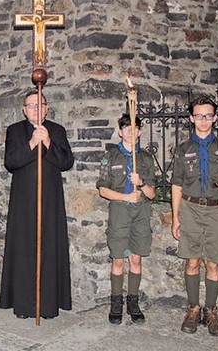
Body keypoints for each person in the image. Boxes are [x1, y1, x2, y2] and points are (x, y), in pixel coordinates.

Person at [0, 90, 75, 319]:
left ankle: (49, 305)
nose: (35, 108)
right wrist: (32, 142)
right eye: (30, 105)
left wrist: (49, 142)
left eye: (39, 104)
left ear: (46, 108)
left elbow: (66, 162)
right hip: (23, 202)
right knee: (23, 251)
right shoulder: (15, 131)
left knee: (49, 249)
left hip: (50, 202)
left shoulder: (57, 130)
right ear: (24, 109)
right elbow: (11, 162)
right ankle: (23, 305)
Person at [171, 96, 218, 336]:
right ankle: (193, 309)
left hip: (216, 210)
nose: (203, 120)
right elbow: (176, 185)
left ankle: (211, 311)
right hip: (190, 209)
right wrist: (176, 217)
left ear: (215, 118)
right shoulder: (183, 150)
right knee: (192, 261)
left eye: (208, 115)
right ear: (191, 118)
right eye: (199, 115)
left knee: (212, 262)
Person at [97, 113, 156, 324]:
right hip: (120, 211)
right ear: (120, 131)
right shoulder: (110, 157)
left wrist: (140, 183)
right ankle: (116, 303)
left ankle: (133, 302)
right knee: (119, 260)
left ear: (140, 132)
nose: (131, 132)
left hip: (141, 213)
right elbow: (103, 190)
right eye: (127, 128)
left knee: (136, 259)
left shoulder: (147, 158)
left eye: (135, 128)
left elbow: (152, 194)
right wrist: (126, 196)